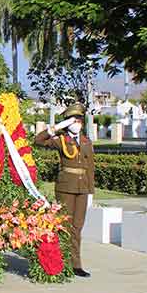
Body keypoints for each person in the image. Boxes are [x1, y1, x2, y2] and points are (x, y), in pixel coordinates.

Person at [35, 103, 94, 277]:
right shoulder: (61, 139)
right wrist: (58, 127)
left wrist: (91, 192)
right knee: (65, 225)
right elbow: (38, 140)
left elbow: (90, 167)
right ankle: (61, 261)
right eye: (73, 121)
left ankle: (76, 264)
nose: (77, 124)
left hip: (82, 188)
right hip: (66, 187)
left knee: (77, 227)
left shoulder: (86, 141)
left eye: (79, 120)